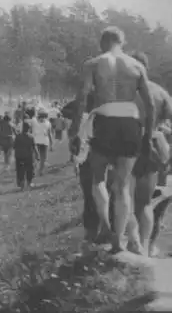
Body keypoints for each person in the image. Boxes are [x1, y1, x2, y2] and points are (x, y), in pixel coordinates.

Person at [68, 26, 154, 255]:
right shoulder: (137, 66)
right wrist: (147, 136)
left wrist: (75, 132)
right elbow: (150, 105)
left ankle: (106, 227)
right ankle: (119, 240)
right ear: (122, 42)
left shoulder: (93, 64)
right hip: (130, 122)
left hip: (105, 120)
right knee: (123, 185)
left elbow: (82, 97)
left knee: (98, 178)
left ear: (101, 43)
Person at [13, 122, 40, 190]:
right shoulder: (31, 137)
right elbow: (34, 147)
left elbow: (14, 146)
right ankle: (29, 183)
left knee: (20, 170)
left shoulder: (18, 136)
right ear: (28, 129)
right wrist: (37, 155)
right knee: (29, 170)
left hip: (19, 156)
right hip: (28, 156)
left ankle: (21, 184)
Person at [32, 111, 53, 176]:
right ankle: (40, 170)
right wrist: (51, 143)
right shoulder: (48, 123)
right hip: (44, 141)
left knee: (37, 157)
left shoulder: (34, 122)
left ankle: (35, 170)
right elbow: (49, 134)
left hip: (37, 141)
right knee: (43, 157)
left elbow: (31, 131)